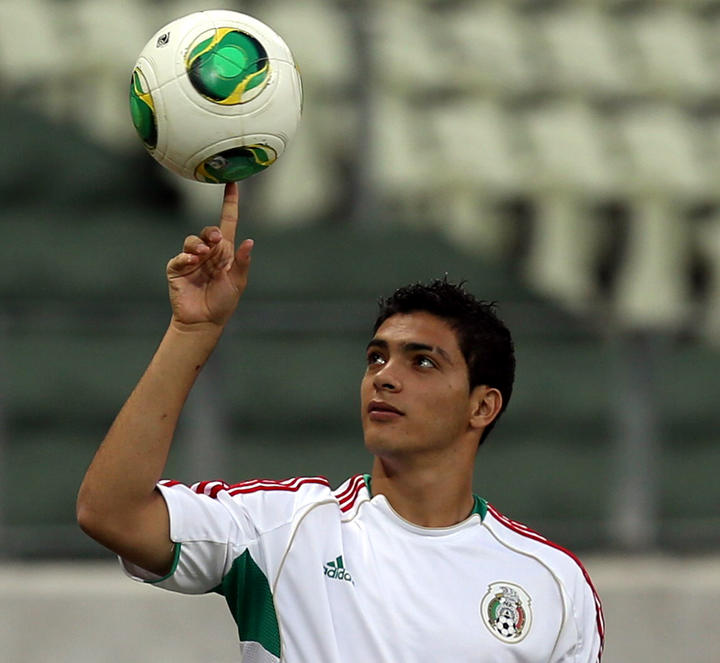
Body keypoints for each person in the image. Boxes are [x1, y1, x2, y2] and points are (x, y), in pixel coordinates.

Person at [77, 183, 604, 662]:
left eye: (422, 361)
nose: (385, 378)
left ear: (483, 406)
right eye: (377, 358)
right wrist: (192, 331)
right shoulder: (284, 529)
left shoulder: (553, 583)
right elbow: (110, 512)